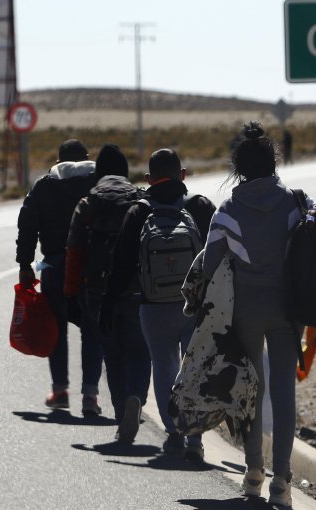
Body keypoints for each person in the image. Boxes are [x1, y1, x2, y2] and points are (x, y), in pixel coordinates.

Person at [202, 121, 316, 508]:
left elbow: (209, 263)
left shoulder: (227, 210)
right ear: (274, 163)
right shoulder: (296, 201)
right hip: (288, 310)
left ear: (239, 169)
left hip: (246, 312)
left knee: (251, 392)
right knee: (283, 393)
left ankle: (252, 473)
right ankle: (282, 480)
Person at [103, 148, 215, 460]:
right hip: (195, 306)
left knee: (164, 366)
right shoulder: (200, 206)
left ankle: (174, 434)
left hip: (153, 306)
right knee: (194, 369)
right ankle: (196, 439)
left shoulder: (138, 211)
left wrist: (108, 306)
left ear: (149, 179)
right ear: (183, 175)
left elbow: (121, 264)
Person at [64, 144, 151, 442]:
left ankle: (120, 418)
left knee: (112, 356)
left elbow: (74, 253)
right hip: (136, 291)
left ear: (98, 172)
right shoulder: (140, 200)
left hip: (98, 293)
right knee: (140, 351)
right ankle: (136, 396)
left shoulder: (88, 203)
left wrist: (70, 295)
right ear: (126, 172)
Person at [15, 139, 104, 415]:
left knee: (57, 329)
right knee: (92, 329)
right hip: (91, 269)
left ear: (58, 161)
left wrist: (25, 264)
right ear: (87, 158)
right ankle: (90, 396)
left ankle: (60, 391)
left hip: (54, 267)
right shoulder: (99, 184)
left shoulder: (44, 186)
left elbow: (27, 225)